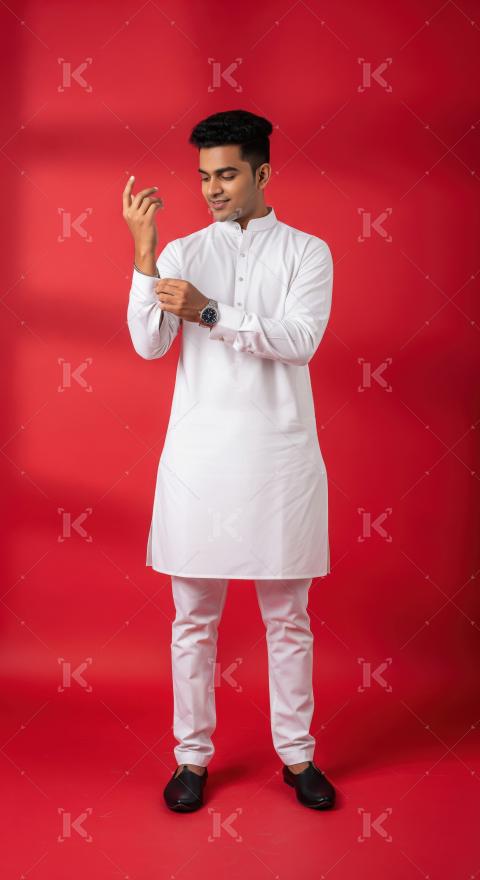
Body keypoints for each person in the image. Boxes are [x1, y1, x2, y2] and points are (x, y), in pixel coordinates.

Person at [122, 109, 336, 812]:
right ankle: (191, 759)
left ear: (263, 173)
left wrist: (214, 314)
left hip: (279, 459)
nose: (213, 189)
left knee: (288, 617)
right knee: (193, 617)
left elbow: (299, 339)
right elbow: (149, 346)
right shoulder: (183, 252)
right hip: (200, 461)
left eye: (227, 174)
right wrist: (146, 253)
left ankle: (298, 757)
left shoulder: (308, 253)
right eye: (205, 176)